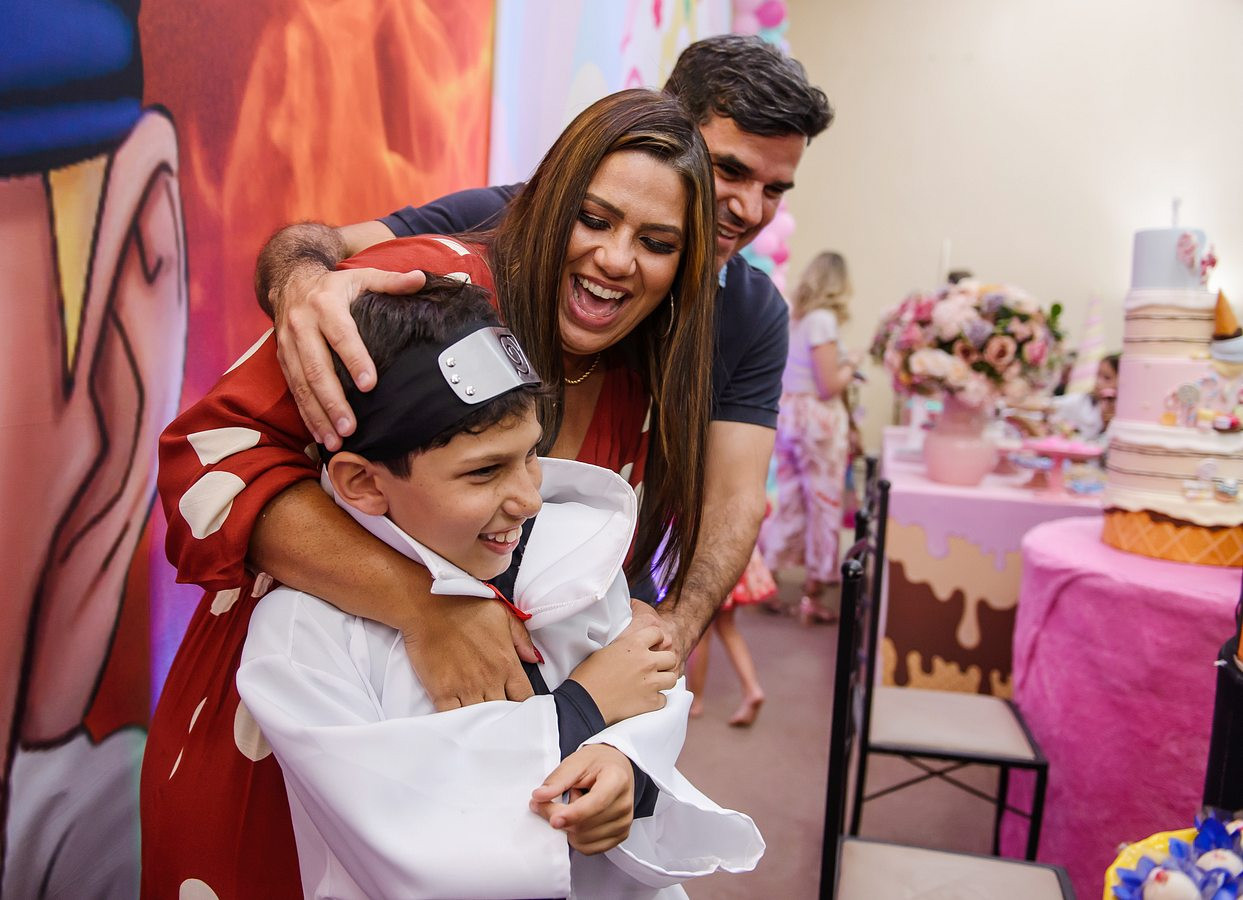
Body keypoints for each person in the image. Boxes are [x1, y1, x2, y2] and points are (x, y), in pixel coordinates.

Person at [141, 88, 721, 898]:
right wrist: (422, 603)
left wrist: (613, 741)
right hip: (299, 738)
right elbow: (206, 465)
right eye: (592, 219)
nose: (617, 259)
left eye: (656, 242)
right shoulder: (425, 291)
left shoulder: (634, 379)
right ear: (547, 202)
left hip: (494, 776)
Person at [253, 34, 833, 671]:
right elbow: (323, 254)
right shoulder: (487, 238)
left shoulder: (739, 316)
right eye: (731, 171)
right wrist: (301, 284)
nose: (749, 209)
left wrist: (669, 632)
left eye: (775, 189)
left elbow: (734, 496)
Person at [237, 280, 763, 898]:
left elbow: (649, 695)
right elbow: (410, 833)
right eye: (485, 470)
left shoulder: (571, 548)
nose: (529, 499)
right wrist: (583, 710)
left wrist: (627, 766)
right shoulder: (301, 640)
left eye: (531, 454)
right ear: (363, 482)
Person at [760, 251, 859, 625]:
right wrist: (852, 366)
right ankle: (814, 594)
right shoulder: (823, 321)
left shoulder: (795, 318)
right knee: (824, 504)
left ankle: (767, 581)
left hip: (789, 413)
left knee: (791, 501)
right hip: (818, 419)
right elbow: (828, 384)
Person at [685, 548, 774, 726]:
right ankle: (752, 689)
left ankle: (696, 700)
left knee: (702, 633)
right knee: (727, 626)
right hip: (737, 557)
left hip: (710, 562)